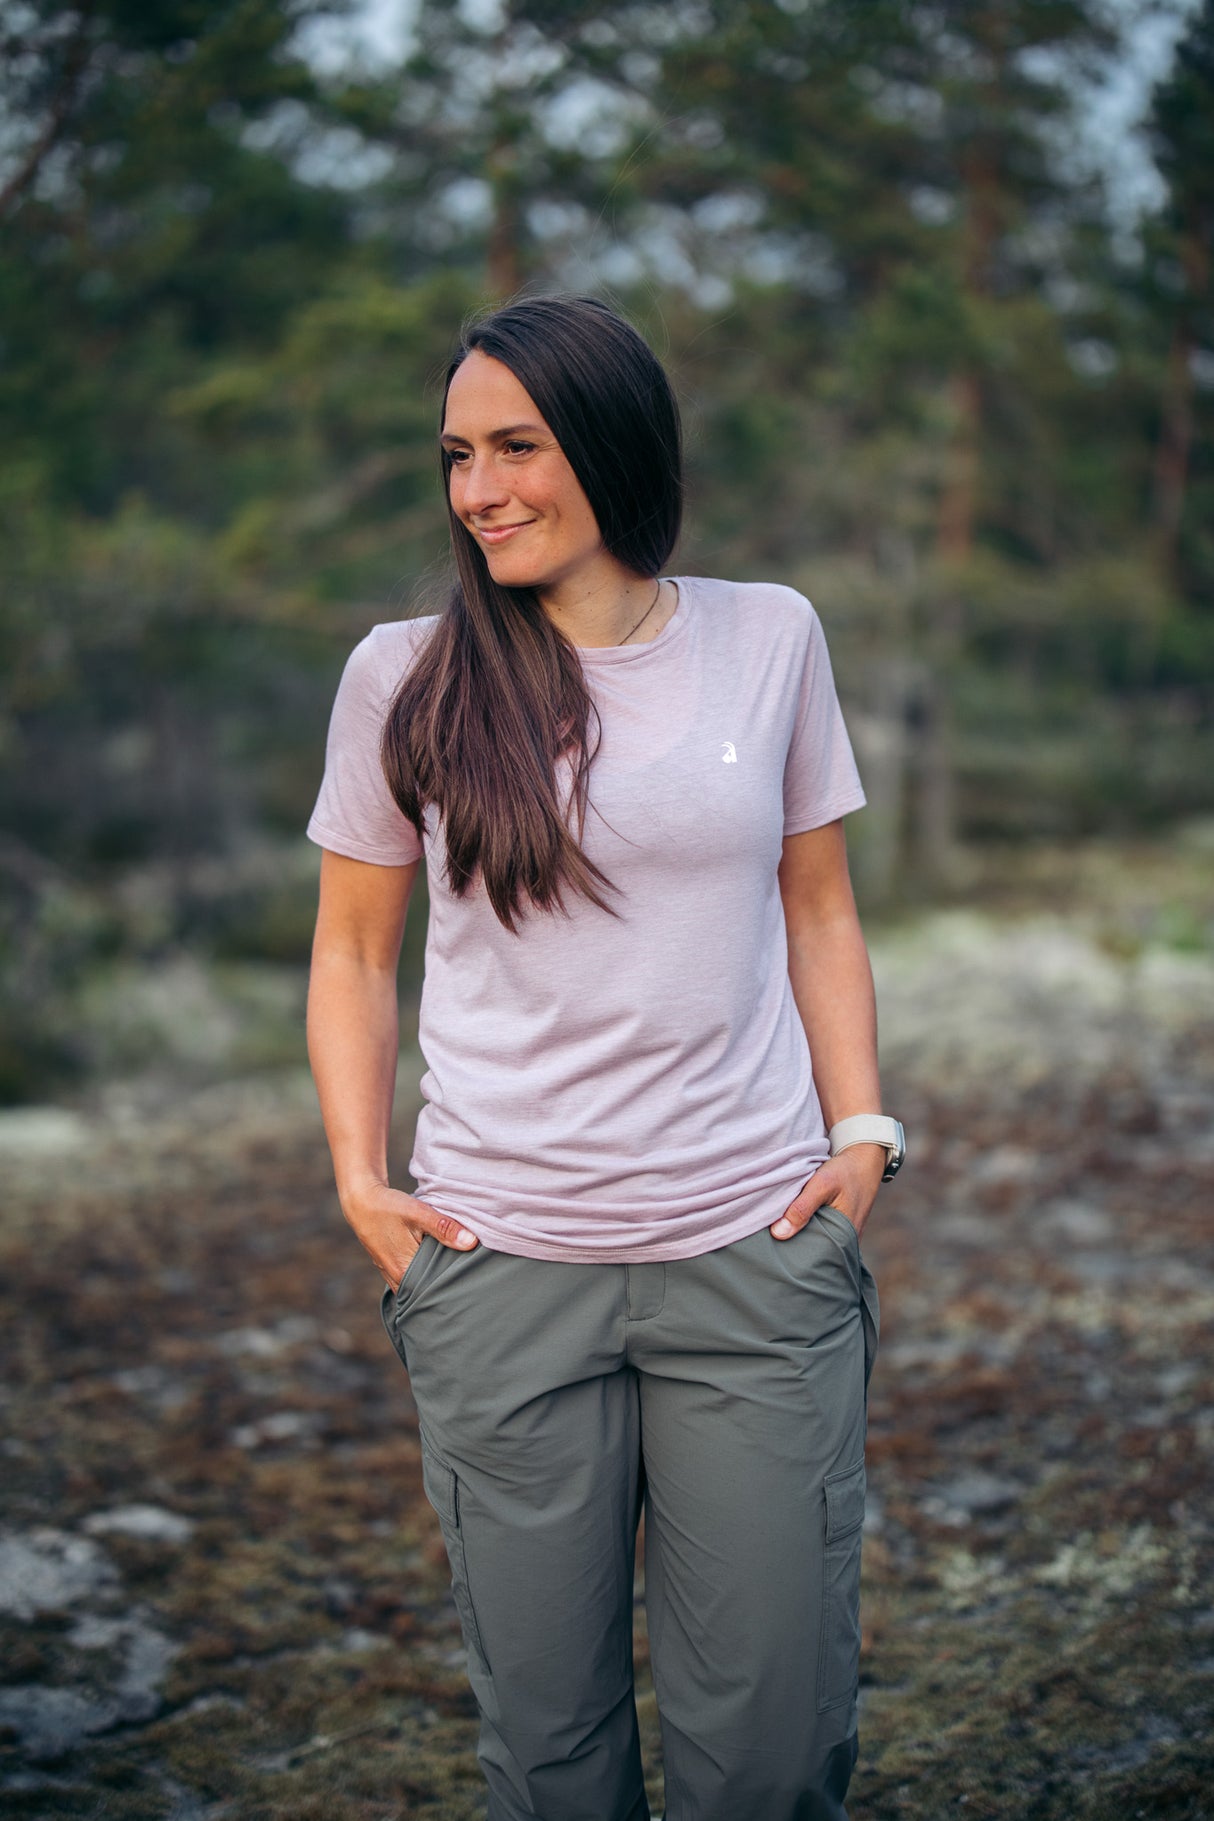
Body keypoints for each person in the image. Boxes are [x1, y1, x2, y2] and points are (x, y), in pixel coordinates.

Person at [305, 294, 901, 1821]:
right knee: (551, 1753)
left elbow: (818, 907)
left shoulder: (769, 636)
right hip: (497, 1270)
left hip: (754, 1262)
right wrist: (361, 1180)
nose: (479, 489)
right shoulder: (403, 675)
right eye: (457, 456)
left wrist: (862, 1131)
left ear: (612, 443)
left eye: (516, 446)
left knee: (769, 1752)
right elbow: (353, 950)